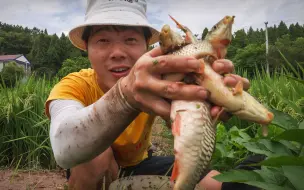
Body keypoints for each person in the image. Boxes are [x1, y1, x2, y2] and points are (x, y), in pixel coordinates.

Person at [45, 0, 262, 189]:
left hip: (139, 164)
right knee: (96, 158)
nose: (118, 52)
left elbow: (182, 120)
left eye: (130, 40)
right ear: (86, 46)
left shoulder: (161, 79)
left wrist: (208, 96)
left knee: (219, 182)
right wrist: (125, 95)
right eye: (103, 40)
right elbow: (64, 148)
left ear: (146, 47)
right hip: (93, 167)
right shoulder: (75, 84)